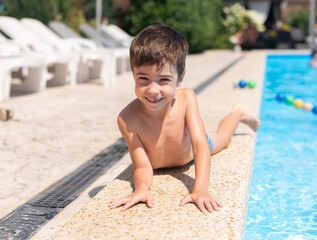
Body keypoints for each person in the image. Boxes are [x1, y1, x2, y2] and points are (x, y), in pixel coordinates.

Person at [108, 25, 260, 213]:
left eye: (163, 80)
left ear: (180, 78)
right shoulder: (127, 119)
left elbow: (200, 145)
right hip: (177, 154)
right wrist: (141, 189)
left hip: (198, 146)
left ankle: (237, 113)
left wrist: (200, 190)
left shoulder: (186, 98)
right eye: (143, 79)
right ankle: (237, 113)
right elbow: (142, 166)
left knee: (225, 139)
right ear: (133, 74)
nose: (153, 89)